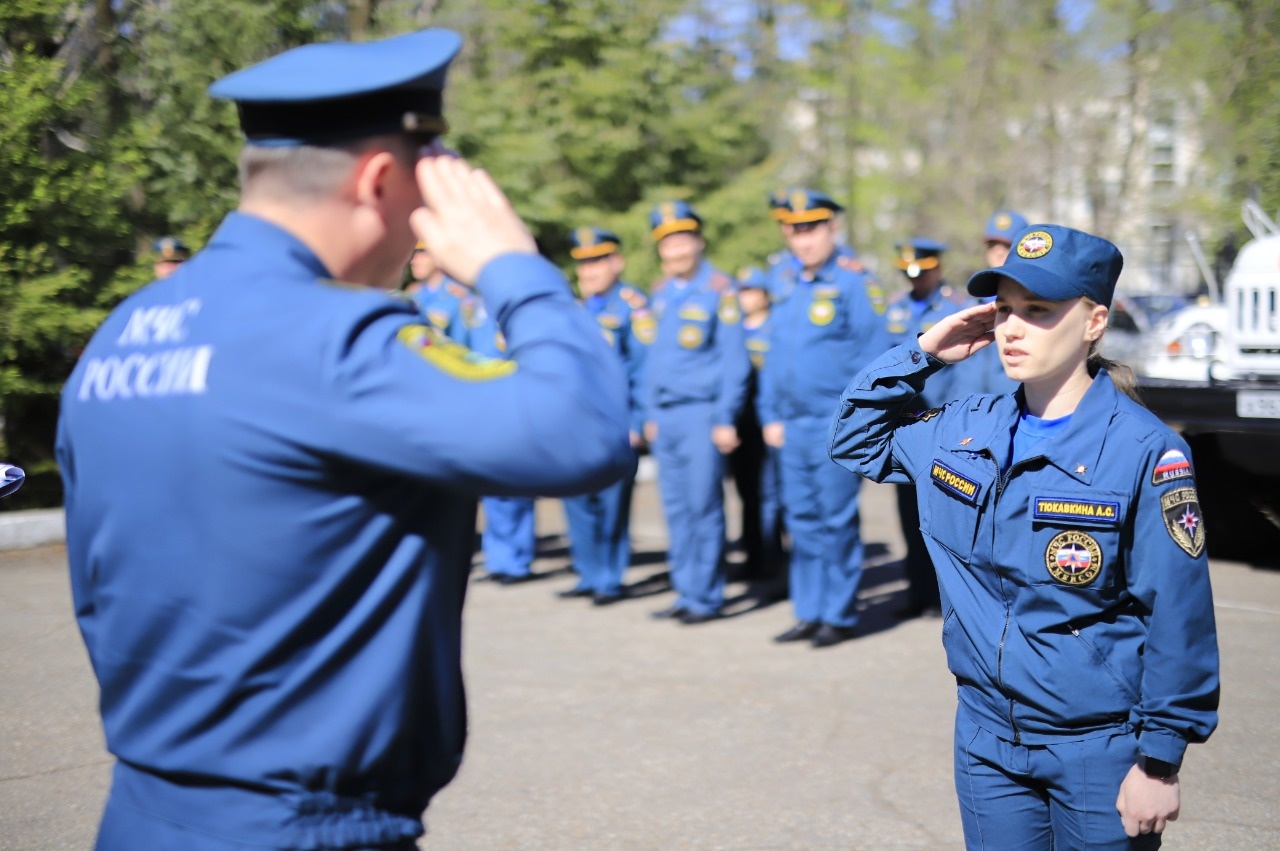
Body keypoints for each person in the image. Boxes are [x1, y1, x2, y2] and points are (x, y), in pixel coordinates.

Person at [57, 29, 632, 850]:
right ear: (378, 179)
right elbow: (584, 435)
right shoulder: (333, 337)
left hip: (145, 815)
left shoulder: (126, 332)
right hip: (297, 829)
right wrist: (514, 266)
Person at [829, 224, 1220, 849]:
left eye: (1038, 311)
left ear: (1094, 321)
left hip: (1098, 748)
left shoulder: (1145, 451)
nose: (1012, 328)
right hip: (986, 741)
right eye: (1004, 310)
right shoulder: (963, 429)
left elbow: (1179, 612)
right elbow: (854, 440)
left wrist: (1160, 761)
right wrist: (924, 352)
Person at [762, 188, 890, 648]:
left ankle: (838, 613)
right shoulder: (783, 282)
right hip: (790, 424)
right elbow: (774, 356)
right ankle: (809, 610)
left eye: (812, 229)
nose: (804, 240)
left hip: (832, 422)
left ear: (831, 229)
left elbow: (874, 358)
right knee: (800, 519)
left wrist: (857, 420)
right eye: (795, 231)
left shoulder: (855, 283)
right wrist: (769, 412)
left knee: (835, 519)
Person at [643, 200, 750, 625]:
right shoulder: (661, 293)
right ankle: (686, 590)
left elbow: (734, 361)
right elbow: (654, 360)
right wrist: (649, 410)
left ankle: (706, 596)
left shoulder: (719, 291)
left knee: (703, 506)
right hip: (666, 416)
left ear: (698, 242)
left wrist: (725, 416)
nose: (674, 252)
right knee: (674, 507)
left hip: (701, 414)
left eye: (682, 241)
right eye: (666, 244)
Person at [558, 226, 653, 605]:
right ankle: (588, 572)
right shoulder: (574, 307)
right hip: (574, 422)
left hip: (615, 422)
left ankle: (609, 578)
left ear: (617, 262)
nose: (589, 271)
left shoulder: (633, 306)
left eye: (597, 261)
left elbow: (645, 368)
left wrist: (638, 421)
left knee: (612, 502)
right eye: (583, 263)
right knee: (577, 500)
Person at [883, 238, 969, 619]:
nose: (914, 280)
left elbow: (962, 374)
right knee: (908, 512)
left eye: (921, 272)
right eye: (907, 274)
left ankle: (942, 596)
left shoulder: (954, 309)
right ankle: (916, 591)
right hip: (905, 425)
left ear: (937, 269)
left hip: (941, 421)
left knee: (943, 514)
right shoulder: (895, 309)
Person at [728, 266, 785, 592]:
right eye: (742, 290)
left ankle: (772, 558)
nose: (745, 297)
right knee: (747, 494)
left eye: (752, 290)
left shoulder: (775, 328)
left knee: (771, 495)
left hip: (768, 423)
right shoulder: (735, 330)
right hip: (742, 425)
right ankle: (752, 557)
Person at [404, 239, 469, 339]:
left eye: (422, 253)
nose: (414, 261)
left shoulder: (459, 295)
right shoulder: (412, 294)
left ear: (438, 254)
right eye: (413, 253)